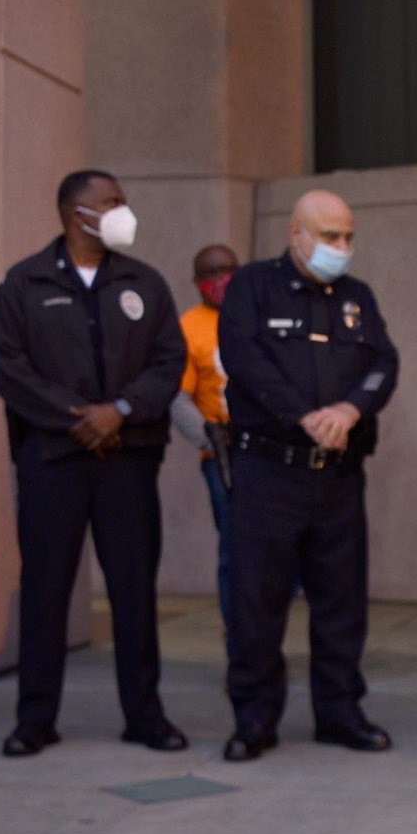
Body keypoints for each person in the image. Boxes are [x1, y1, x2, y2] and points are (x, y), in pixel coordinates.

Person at [0, 170, 188, 758]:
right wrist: (79, 417)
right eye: (114, 203)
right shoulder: (23, 284)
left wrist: (121, 411)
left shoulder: (144, 282)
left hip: (128, 460)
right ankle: (36, 719)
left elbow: (168, 360)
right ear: (78, 215)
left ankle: (145, 716)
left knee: (133, 591)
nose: (125, 213)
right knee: (45, 591)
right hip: (54, 460)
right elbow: (9, 367)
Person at [218, 189, 398, 762]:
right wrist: (303, 415)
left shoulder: (358, 297)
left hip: (339, 477)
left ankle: (340, 712)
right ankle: (253, 718)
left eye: (348, 237)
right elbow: (245, 361)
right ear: (296, 234)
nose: (341, 248)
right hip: (269, 473)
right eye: (329, 236)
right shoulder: (252, 287)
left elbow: (383, 364)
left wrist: (349, 411)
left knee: (342, 603)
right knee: (256, 602)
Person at [171, 243, 239, 641]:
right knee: (234, 550)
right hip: (220, 455)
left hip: (268, 450)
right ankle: (238, 643)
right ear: (197, 282)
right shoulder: (188, 326)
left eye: (228, 270)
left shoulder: (255, 313)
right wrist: (211, 442)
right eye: (210, 273)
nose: (220, 280)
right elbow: (177, 397)